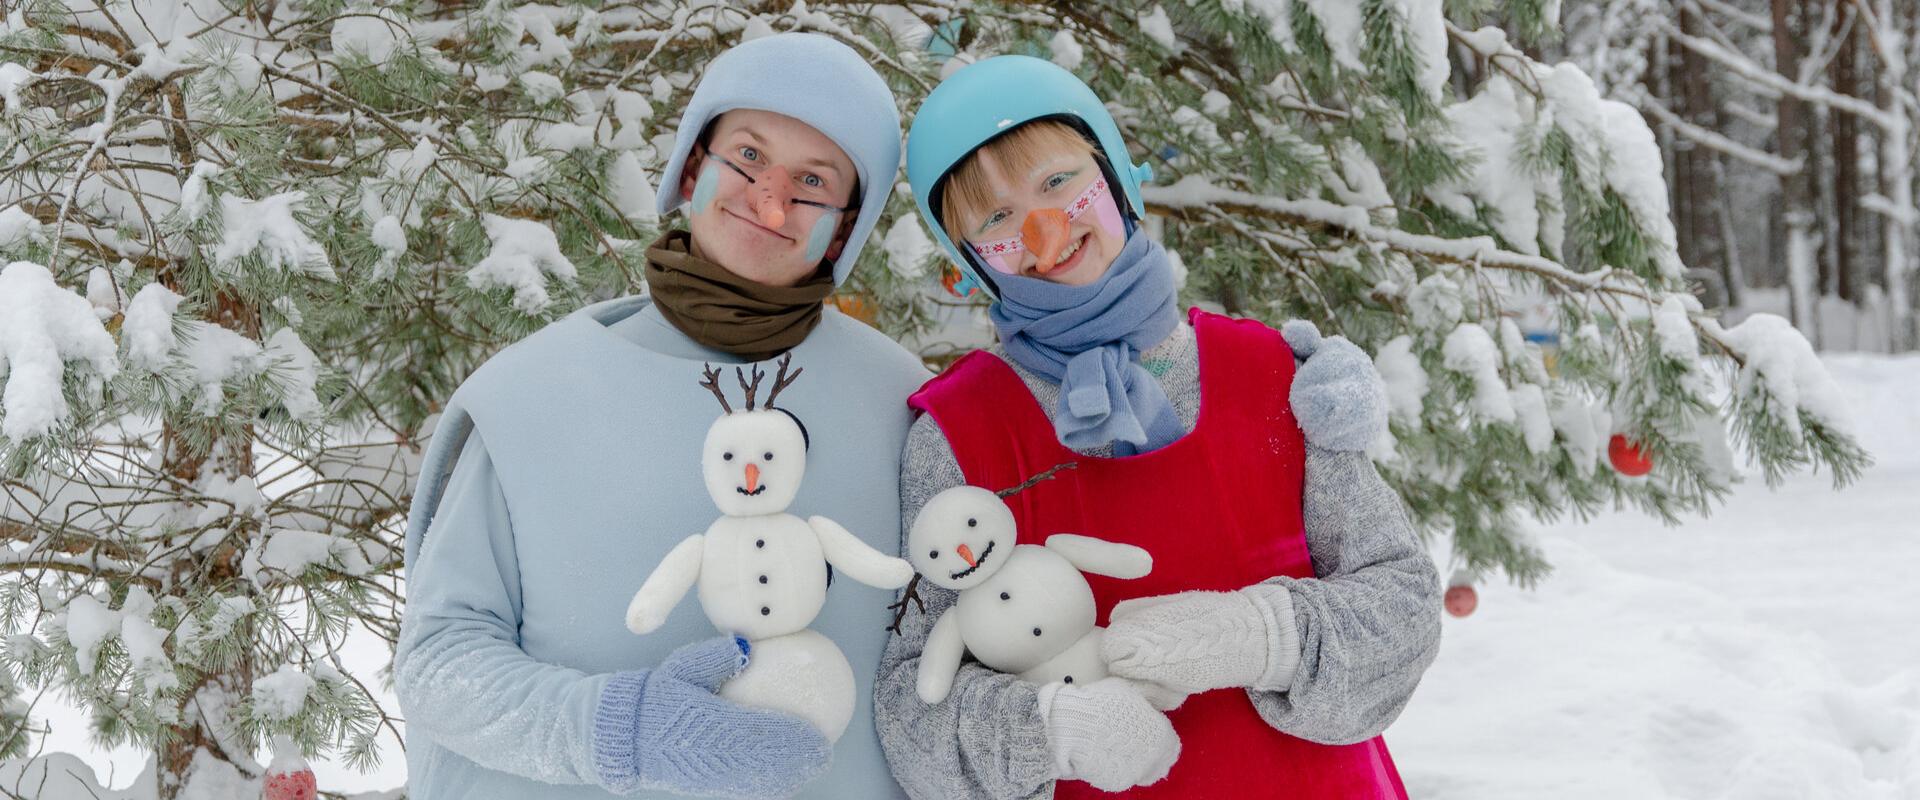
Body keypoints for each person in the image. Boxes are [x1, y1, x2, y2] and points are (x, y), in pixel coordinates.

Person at [874, 55, 1442, 799]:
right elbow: (912, 704)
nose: (1045, 231)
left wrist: (1261, 635)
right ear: (968, 261)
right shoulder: (956, 433)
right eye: (997, 218)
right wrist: (1051, 727)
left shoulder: (1275, 372)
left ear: (1113, 175)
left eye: (1057, 183)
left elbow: (1404, 605)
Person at [395, 34, 927, 799]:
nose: (770, 200)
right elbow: (439, 665)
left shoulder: (900, 401)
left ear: (844, 227)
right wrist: (619, 728)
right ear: (692, 164)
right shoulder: (534, 396)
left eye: (812, 182)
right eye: (747, 156)